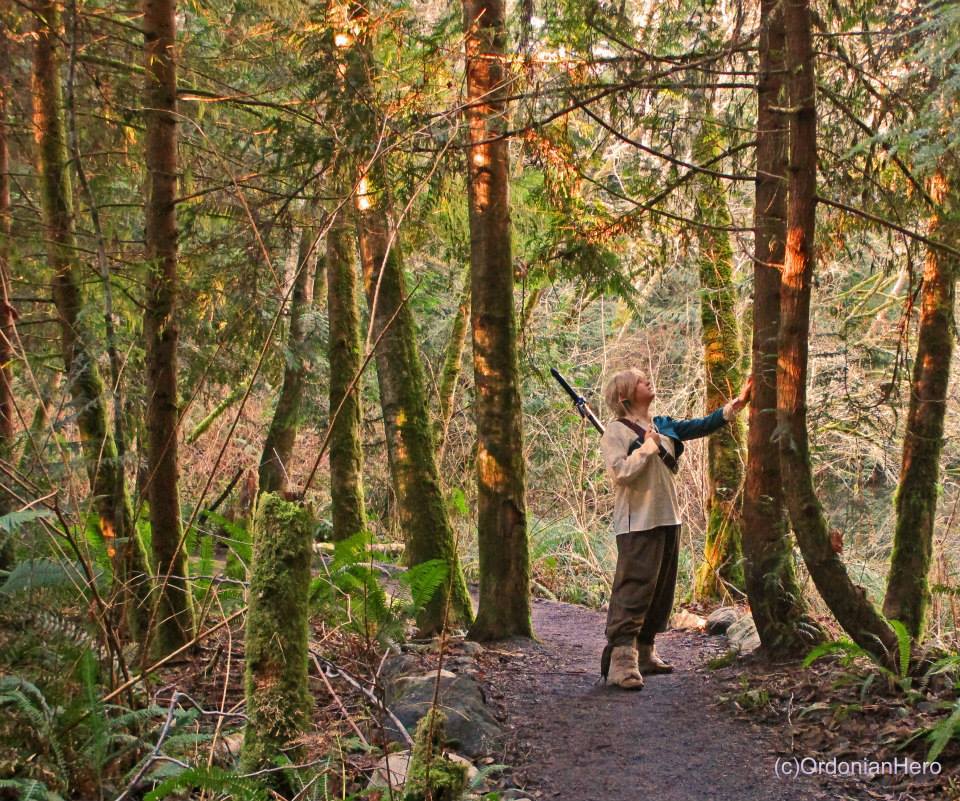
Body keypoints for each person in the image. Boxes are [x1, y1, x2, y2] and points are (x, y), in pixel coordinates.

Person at [598, 368, 753, 689]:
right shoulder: (615, 431)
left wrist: (737, 404)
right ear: (625, 395)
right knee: (635, 588)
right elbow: (620, 473)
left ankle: (645, 652)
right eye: (640, 380)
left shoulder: (663, 425)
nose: (648, 381)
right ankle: (621, 661)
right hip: (638, 522)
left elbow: (702, 425)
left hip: (670, 518)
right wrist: (646, 448)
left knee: (660, 591)